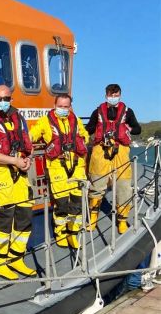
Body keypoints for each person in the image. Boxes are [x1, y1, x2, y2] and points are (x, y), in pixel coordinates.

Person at [0, 85, 36, 280]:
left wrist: (26, 159)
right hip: (0, 174)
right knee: (4, 217)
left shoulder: (19, 118)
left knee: (25, 214)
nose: (2, 102)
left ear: (11, 98)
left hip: (20, 173)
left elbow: (28, 144)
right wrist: (14, 161)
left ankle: (16, 257)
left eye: (6, 98)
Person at [29, 94, 89, 249]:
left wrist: (83, 140)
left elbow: (85, 135)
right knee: (61, 202)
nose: (63, 109)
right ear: (55, 105)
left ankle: (73, 232)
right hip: (57, 167)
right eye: (60, 106)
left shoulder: (76, 120)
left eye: (66, 106)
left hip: (77, 166)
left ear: (70, 106)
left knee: (77, 201)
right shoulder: (45, 121)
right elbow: (32, 135)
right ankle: (60, 232)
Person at [85, 84, 142, 234]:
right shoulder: (97, 111)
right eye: (111, 95)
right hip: (100, 151)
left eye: (116, 95)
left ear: (120, 95)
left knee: (123, 186)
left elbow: (138, 129)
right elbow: (89, 129)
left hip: (121, 151)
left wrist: (128, 128)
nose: (113, 97)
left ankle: (122, 221)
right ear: (106, 95)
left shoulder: (128, 112)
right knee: (97, 184)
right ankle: (92, 217)